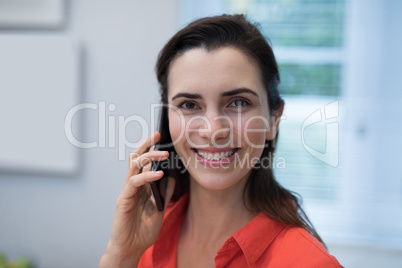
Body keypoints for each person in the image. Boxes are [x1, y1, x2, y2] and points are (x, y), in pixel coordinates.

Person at [99, 14, 343, 268]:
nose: (213, 130)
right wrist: (122, 257)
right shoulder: (145, 235)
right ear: (168, 118)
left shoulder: (309, 263)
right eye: (190, 104)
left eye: (238, 103)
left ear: (273, 119)